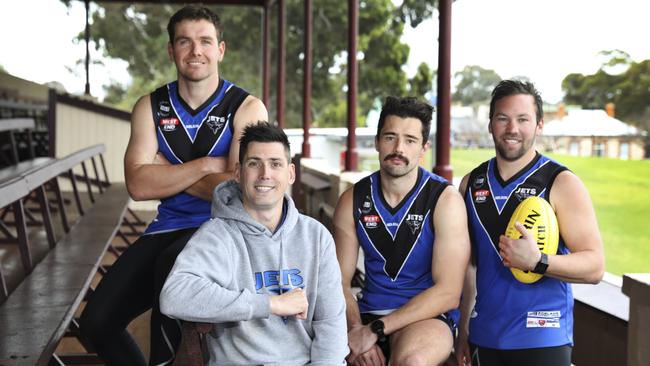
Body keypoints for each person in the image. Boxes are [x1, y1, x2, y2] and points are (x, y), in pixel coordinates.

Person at [79, 5, 267, 366]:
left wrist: (167, 173)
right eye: (185, 41)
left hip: (225, 232)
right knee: (96, 325)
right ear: (171, 50)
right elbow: (137, 184)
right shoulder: (150, 106)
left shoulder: (246, 107)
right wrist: (206, 166)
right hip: (166, 228)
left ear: (220, 49)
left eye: (205, 41)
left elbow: (241, 191)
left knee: (171, 265)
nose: (196, 51)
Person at [160, 122, 348, 365]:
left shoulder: (316, 236)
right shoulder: (218, 236)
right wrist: (269, 304)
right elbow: (174, 296)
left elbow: (331, 323)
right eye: (254, 163)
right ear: (238, 173)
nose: (265, 174)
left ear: (291, 173)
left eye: (275, 164)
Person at [455, 79, 605, 366]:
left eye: (523, 119)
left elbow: (595, 266)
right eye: (503, 118)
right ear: (490, 124)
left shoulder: (561, 182)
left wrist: (539, 261)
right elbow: (469, 266)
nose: (512, 129)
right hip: (484, 337)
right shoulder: (470, 185)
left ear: (539, 125)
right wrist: (463, 327)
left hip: (542, 338)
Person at [333, 96, 471, 366]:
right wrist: (354, 330)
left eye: (410, 140)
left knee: (412, 362)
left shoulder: (444, 199)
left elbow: (449, 292)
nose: (398, 148)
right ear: (376, 141)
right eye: (390, 137)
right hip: (368, 313)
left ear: (423, 148)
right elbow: (337, 280)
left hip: (427, 317)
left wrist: (375, 330)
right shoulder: (353, 199)